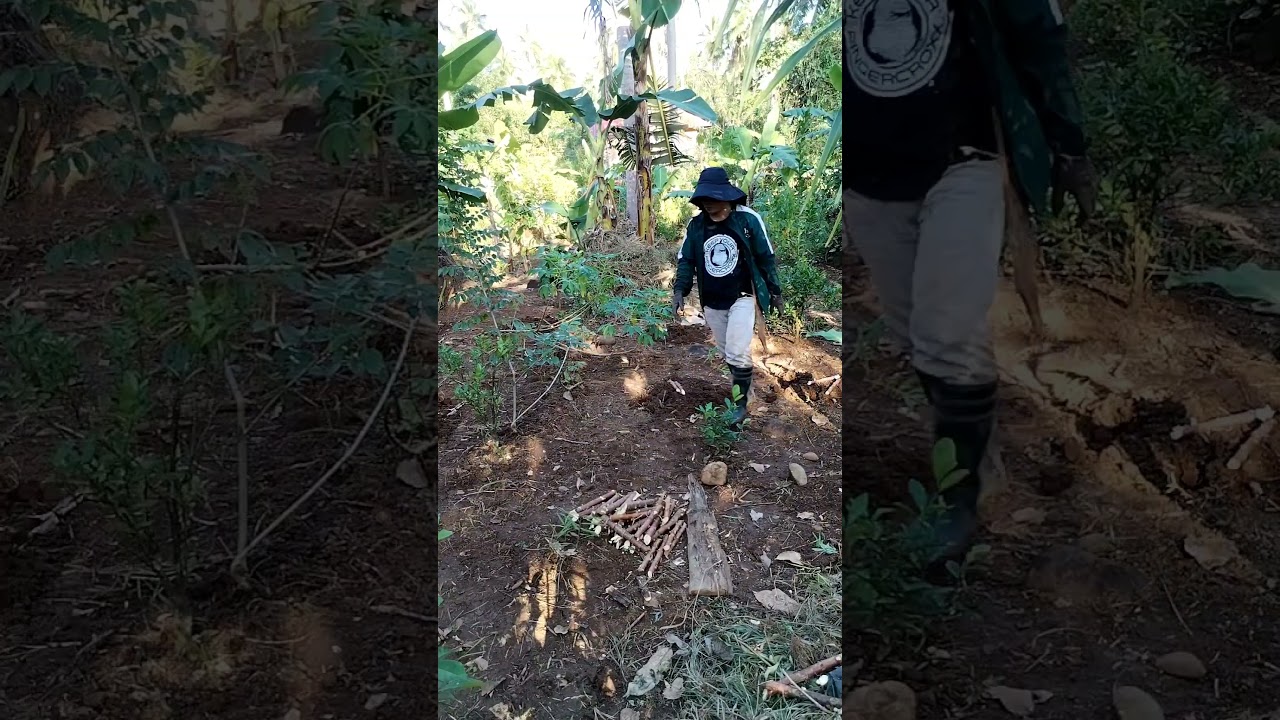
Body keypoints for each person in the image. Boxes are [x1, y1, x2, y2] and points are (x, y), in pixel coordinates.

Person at [844, 0, 1099, 561]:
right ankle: (979, 461)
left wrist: (1068, 143)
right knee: (917, 337)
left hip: (963, 157)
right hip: (867, 179)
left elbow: (1039, 34)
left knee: (949, 334)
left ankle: (958, 505)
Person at [673, 167, 784, 427]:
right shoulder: (697, 225)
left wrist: (775, 292)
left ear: (727, 197)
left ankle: (740, 406)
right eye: (705, 201)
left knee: (736, 351)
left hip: (742, 296)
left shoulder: (747, 220)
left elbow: (766, 258)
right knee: (729, 355)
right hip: (712, 300)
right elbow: (686, 259)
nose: (710, 206)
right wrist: (680, 290)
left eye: (714, 200)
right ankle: (746, 391)